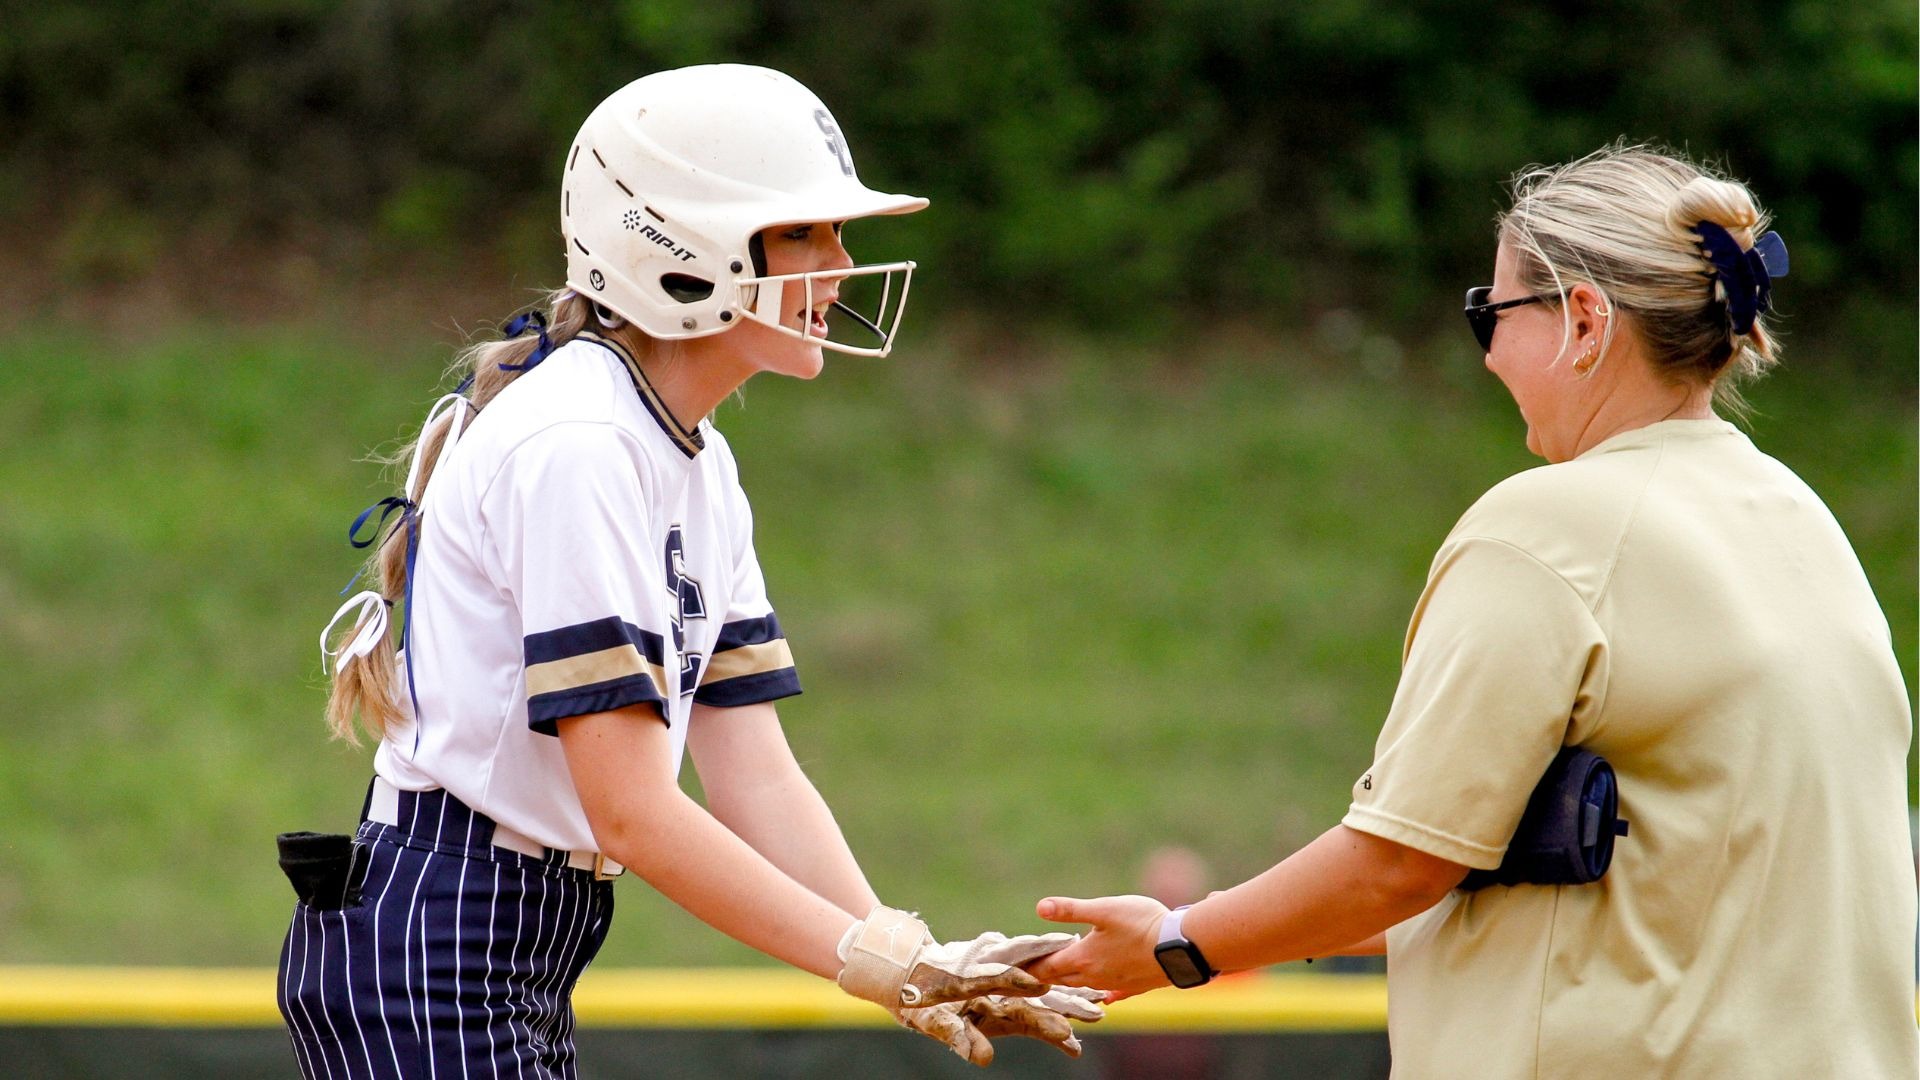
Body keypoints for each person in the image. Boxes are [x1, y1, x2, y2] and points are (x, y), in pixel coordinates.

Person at [276, 64, 1101, 1079]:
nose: (841, 266)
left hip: (504, 934)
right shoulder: (580, 442)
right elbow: (632, 810)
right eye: (807, 232)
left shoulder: (696, 458)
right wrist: (873, 966)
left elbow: (752, 767)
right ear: (675, 244)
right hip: (437, 935)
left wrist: (913, 953)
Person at [1025, 144, 1918, 1076]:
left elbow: (1403, 861)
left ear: (1583, 320)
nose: (1488, 351)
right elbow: (1619, 881)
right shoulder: (1799, 520)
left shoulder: (1551, 526)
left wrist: (1176, 942)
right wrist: (1224, 927)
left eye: (1491, 313)